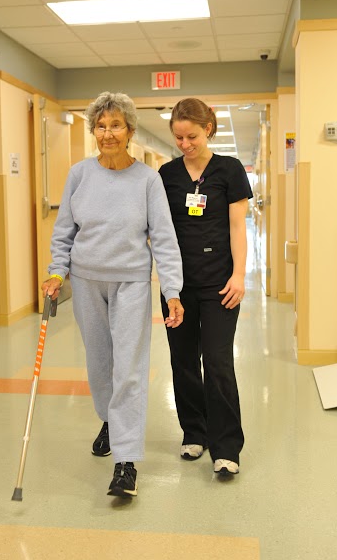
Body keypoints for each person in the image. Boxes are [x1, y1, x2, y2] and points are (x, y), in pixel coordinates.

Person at [41, 91, 184, 499]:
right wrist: (57, 271)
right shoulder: (80, 174)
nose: (108, 133)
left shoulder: (147, 179)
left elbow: (164, 238)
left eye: (116, 125)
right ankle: (109, 419)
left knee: (130, 369)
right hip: (87, 280)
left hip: (131, 283)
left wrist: (172, 290)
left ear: (130, 131)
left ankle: (126, 462)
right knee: (100, 363)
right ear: (93, 131)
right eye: (100, 126)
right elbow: (64, 229)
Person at [158, 98, 252, 477]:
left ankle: (227, 446)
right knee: (182, 362)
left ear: (208, 129)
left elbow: (237, 227)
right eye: (178, 137)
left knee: (217, 362)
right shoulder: (166, 175)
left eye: (191, 136)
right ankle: (193, 432)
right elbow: (160, 232)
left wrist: (240, 275)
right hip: (177, 285)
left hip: (219, 283)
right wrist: (168, 288)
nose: (184, 144)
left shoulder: (228, 170)